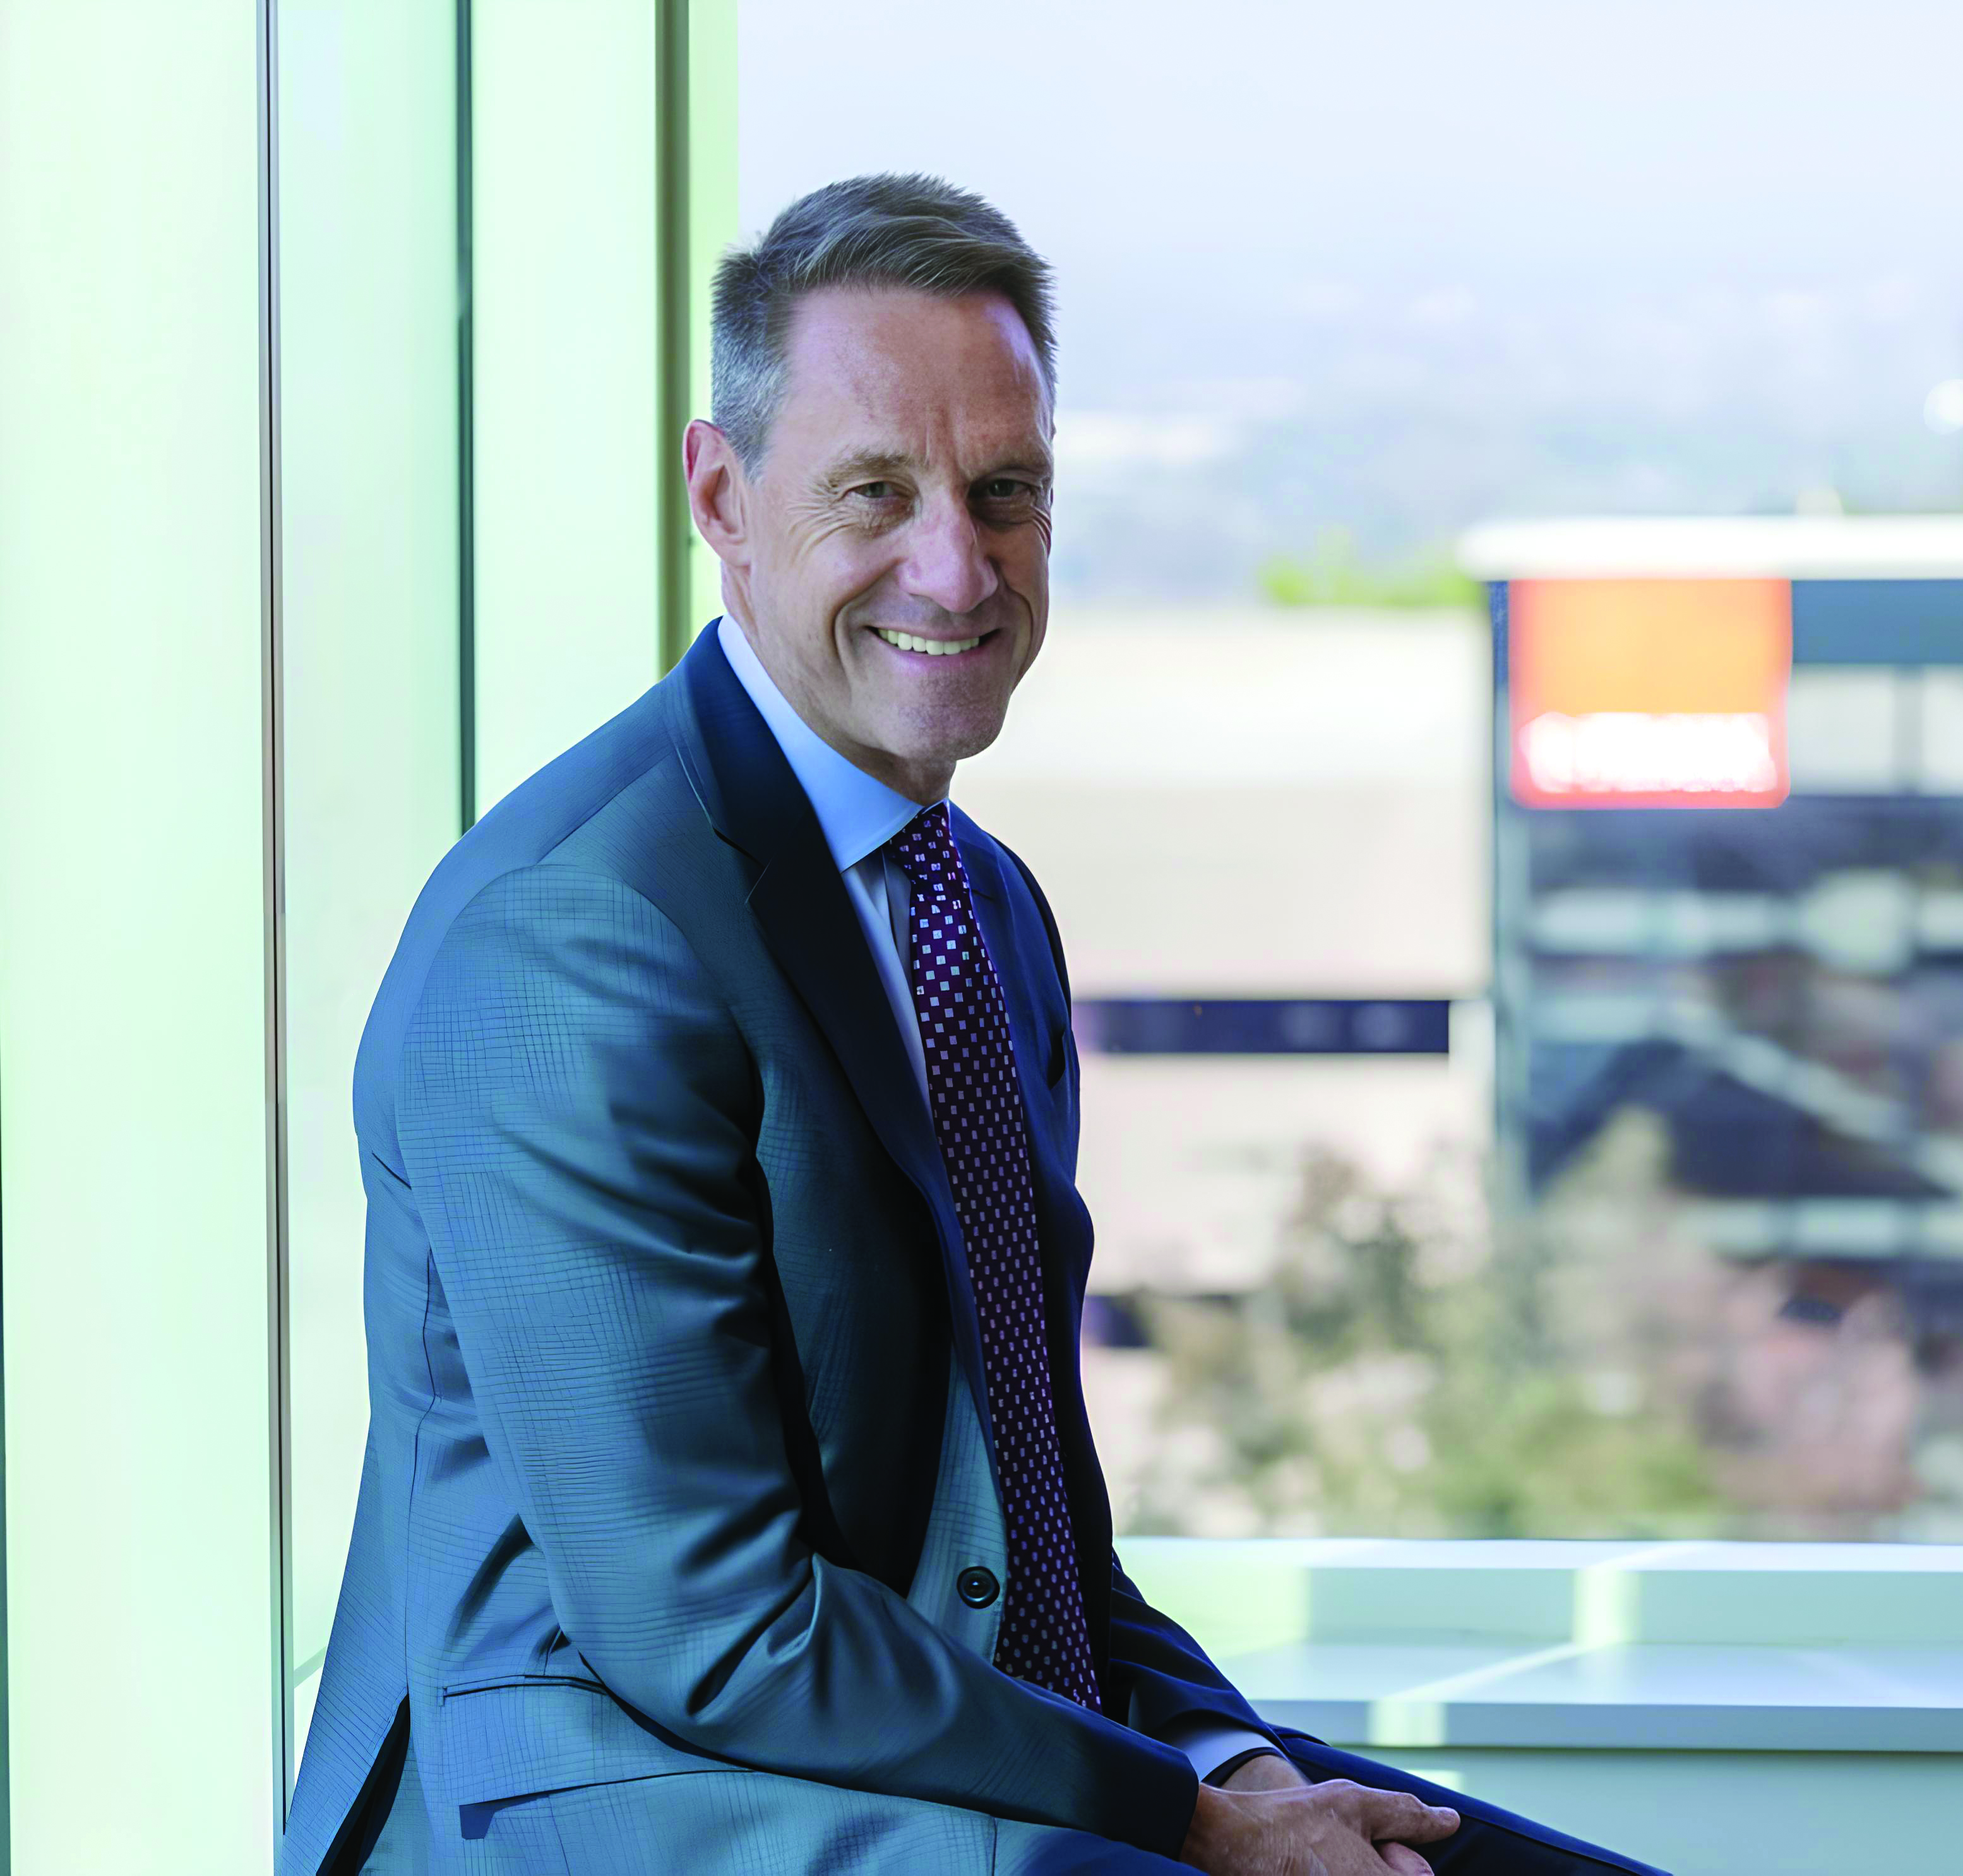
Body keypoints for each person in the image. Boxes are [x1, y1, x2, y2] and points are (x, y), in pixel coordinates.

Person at [282, 173, 1669, 1876]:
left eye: (1004, 493)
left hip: (902, 1742)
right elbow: (708, 1630)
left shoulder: (979, 910)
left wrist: (1237, 1768)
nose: (957, 562)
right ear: (721, 495)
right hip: (636, 1799)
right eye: (877, 491)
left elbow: (1035, 1551)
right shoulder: (582, 936)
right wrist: (1194, 1824)